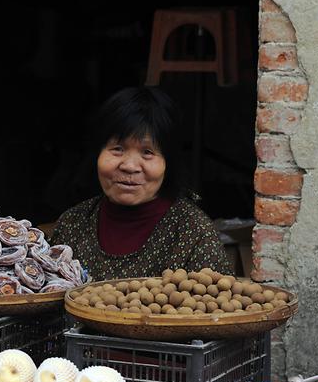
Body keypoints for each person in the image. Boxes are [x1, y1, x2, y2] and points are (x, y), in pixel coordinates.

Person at [50, 86, 232, 281]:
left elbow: (215, 306)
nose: (129, 166)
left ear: (167, 162)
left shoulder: (194, 234)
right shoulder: (72, 225)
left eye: (147, 152)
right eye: (117, 149)